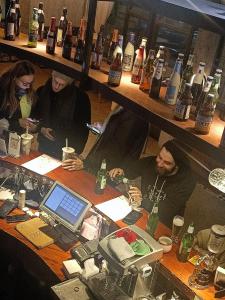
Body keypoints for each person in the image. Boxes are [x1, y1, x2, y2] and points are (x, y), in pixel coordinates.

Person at [109, 139, 196, 228]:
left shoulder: (187, 181)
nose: (160, 164)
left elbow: (166, 211)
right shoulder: (151, 162)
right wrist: (121, 171)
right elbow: (131, 169)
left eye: (167, 163)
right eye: (160, 157)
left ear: (177, 166)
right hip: (142, 212)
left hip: (161, 223)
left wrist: (141, 199)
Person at [62, 103, 149, 174]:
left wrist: (86, 164)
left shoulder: (133, 117)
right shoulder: (127, 109)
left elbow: (114, 150)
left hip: (104, 171)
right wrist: (103, 128)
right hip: (102, 167)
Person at [34, 70, 91, 159]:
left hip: (67, 149)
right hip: (44, 145)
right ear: (52, 76)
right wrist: (41, 128)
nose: (56, 86)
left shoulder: (81, 99)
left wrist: (76, 151)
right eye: (55, 82)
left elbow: (83, 130)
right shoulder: (42, 91)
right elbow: (34, 117)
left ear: (69, 84)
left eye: (61, 85)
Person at [0, 60, 37, 134]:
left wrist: (34, 124)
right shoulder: (2, 91)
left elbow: (33, 113)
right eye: (25, 83)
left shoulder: (29, 92)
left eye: (30, 83)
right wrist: (17, 123)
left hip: (20, 135)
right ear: (14, 78)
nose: (28, 87)